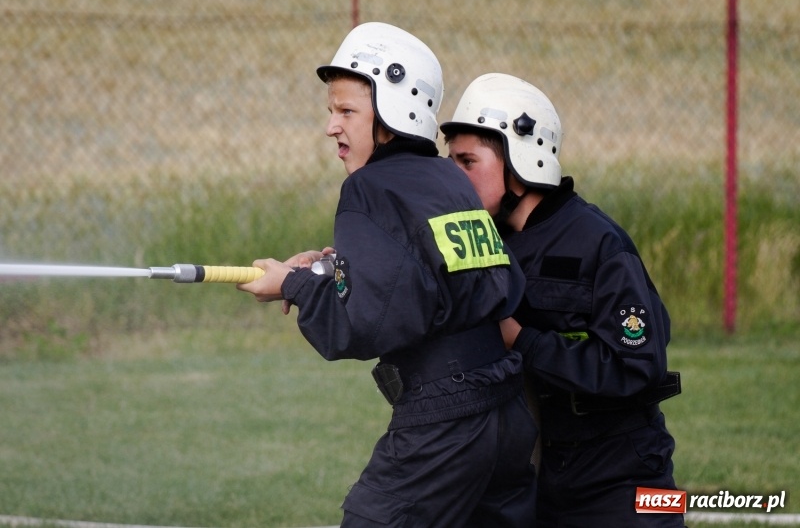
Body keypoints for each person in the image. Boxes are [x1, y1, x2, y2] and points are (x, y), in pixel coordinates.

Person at [237, 26, 538, 527]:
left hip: (446, 419)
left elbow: (361, 324)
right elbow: (436, 282)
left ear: (394, 111)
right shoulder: (446, 179)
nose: (331, 126)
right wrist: (330, 268)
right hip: (503, 411)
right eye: (331, 110)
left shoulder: (370, 189)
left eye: (347, 111)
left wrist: (290, 285)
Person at [441, 73, 685, 527]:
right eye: (450, 162)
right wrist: (328, 266)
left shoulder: (598, 244)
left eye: (467, 162)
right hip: (530, 471)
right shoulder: (479, 240)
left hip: (623, 473)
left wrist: (523, 341)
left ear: (521, 161)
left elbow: (635, 365)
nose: (453, 177)